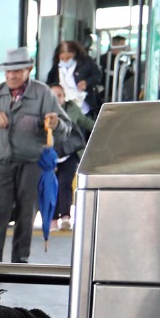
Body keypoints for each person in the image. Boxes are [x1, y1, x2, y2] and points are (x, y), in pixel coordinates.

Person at [0, 48, 69, 264]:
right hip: (2, 163)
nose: (11, 76)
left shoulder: (42, 94)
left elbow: (66, 127)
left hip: (32, 165)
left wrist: (56, 123)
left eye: (17, 71)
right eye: (8, 72)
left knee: (25, 216)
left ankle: (20, 262)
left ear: (28, 70)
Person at [49, 83, 93, 229]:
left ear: (64, 97)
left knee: (65, 184)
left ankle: (66, 217)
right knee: (51, 187)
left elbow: (87, 123)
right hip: (50, 156)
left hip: (69, 154)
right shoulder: (42, 112)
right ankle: (52, 219)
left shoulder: (72, 109)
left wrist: (105, 126)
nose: (57, 99)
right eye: (53, 96)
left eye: (60, 95)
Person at [44, 40, 104, 116]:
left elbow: (97, 75)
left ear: (75, 54)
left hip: (83, 103)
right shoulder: (57, 66)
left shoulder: (86, 62)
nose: (65, 61)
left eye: (68, 58)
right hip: (63, 104)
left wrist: (86, 82)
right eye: (62, 58)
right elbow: (50, 82)